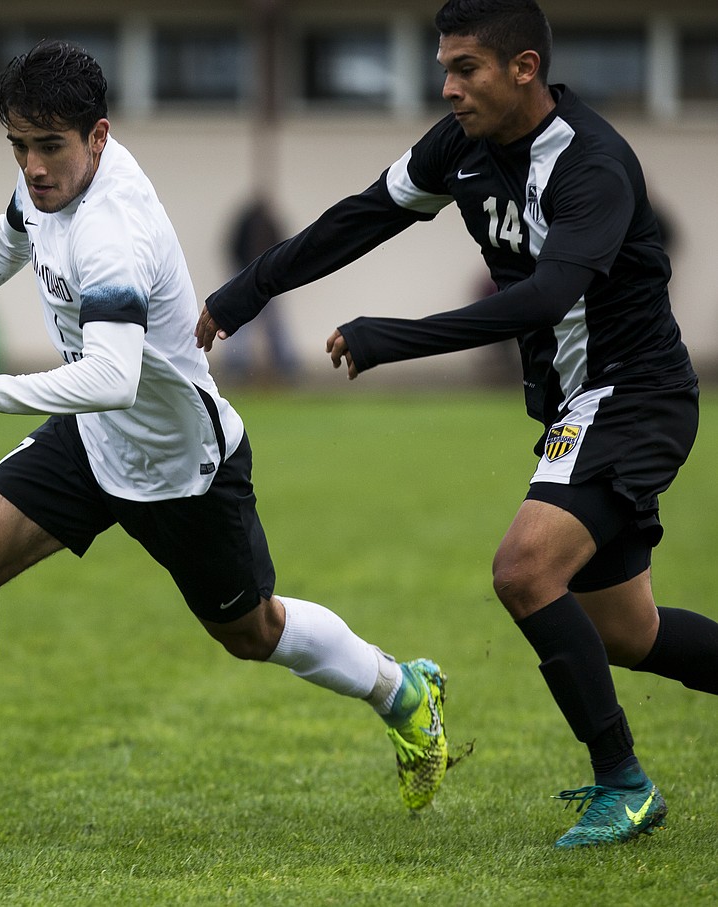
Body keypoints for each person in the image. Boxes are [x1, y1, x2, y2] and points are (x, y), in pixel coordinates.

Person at [0, 39, 449, 823]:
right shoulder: (46, 179)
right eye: (18, 146)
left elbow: (112, 378)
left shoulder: (114, 233)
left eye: (49, 147)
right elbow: (9, 237)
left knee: (252, 630)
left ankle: (403, 690)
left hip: (178, 464)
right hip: (93, 442)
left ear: (98, 137)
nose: (32, 167)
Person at [198, 0, 718, 849]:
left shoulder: (594, 166)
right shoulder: (463, 145)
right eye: (443, 67)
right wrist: (244, 292)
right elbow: (366, 214)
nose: (448, 87)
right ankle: (624, 776)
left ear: (523, 69)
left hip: (636, 396)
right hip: (576, 405)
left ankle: (625, 783)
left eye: (465, 68)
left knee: (522, 569)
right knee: (628, 633)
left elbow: (547, 296)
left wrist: (390, 339)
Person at [220, 197, 299, 383]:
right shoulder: (250, 222)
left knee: (273, 324)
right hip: (251, 278)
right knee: (243, 324)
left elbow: (282, 246)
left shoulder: (263, 223)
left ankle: (286, 364)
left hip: (267, 279)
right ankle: (237, 364)